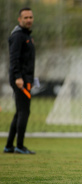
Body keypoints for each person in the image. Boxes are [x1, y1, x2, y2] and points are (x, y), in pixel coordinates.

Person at [3, 7, 36, 154]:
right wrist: (18, 77)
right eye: (25, 17)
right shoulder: (18, 36)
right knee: (24, 111)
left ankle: (9, 146)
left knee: (19, 112)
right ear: (19, 19)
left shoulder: (25, 35)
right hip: (20, 79)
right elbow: (14, 58)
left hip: (25, 78)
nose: (29, 20)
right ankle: (19, 146)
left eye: (30, 17)